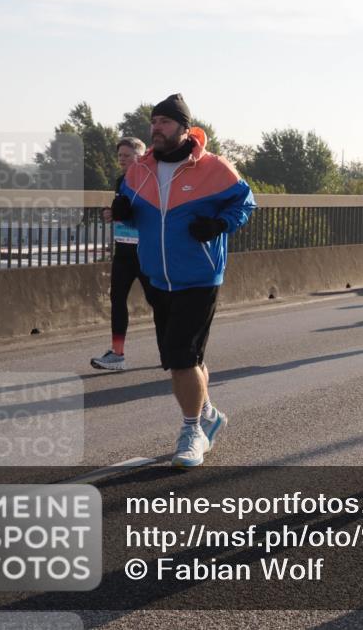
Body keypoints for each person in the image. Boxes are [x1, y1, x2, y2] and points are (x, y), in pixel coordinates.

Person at [112, 94, 256, 468]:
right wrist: (122, 209)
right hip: (157, 277)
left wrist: (219, 224)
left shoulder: (214, 167)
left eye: (164, 121)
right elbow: (127, 205)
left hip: (199, 275)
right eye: (153, 122)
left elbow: (245, 203)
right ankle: (209, 415)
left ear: (183, 127)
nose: (156, 128)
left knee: (180, 358)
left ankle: (193, 432)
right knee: (188, 358)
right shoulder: (139, 169)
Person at [91, 137, 147, 371]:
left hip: (146, 249)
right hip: (123, 248)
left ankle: (173, 351)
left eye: (127, 155)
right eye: (119, 156)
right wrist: (111, 213)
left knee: (160, 302)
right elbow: (121, 210)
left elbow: (150, 213)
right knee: (117, 299)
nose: (122, 160)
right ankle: (117, 354)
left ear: (140, 157)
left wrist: (126, 213)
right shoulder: (120, 181)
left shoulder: (150, 181)